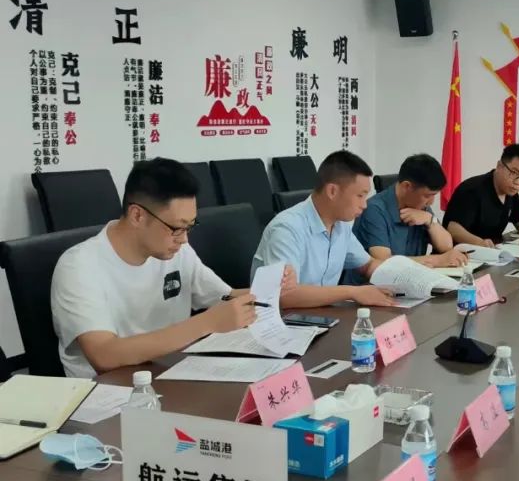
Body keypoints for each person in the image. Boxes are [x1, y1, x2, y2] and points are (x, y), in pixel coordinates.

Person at [51, 158, 278, 378]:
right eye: (177, 228)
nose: (184, 239)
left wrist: (272, 289)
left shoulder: (176, 250)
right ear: (137, 215)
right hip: (109, 391)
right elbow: (104, 355)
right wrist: (207, 323)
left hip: (170, 374)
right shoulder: (79, 266)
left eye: (190, 227)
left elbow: (224, 298)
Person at [252, 150, 394, 309]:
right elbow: (284, 296)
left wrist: (403, 280)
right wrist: (352, 292)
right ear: (332, 191)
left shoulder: (341, 226)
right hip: (285, 319)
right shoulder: (287, 228)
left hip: (323, 316)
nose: (364, 205)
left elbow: (367, 265)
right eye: (360, 196)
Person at [352, 153, 468, 270]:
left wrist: (430, 220)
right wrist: (437, 260)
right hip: (374, 281)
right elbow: (384, 263)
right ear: (407, 186)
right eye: (428, 195)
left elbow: (447, 246)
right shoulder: (374, 209)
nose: (431, 202)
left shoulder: (421, 207)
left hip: (410, 278)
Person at [443, 144, 519, 247]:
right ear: (499, 166)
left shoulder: (511, 192)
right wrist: (480, 243)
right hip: (461, 256)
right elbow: (453, 229)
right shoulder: (473, 190)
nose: (518, 182)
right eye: (514, 173)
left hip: (492, 254)